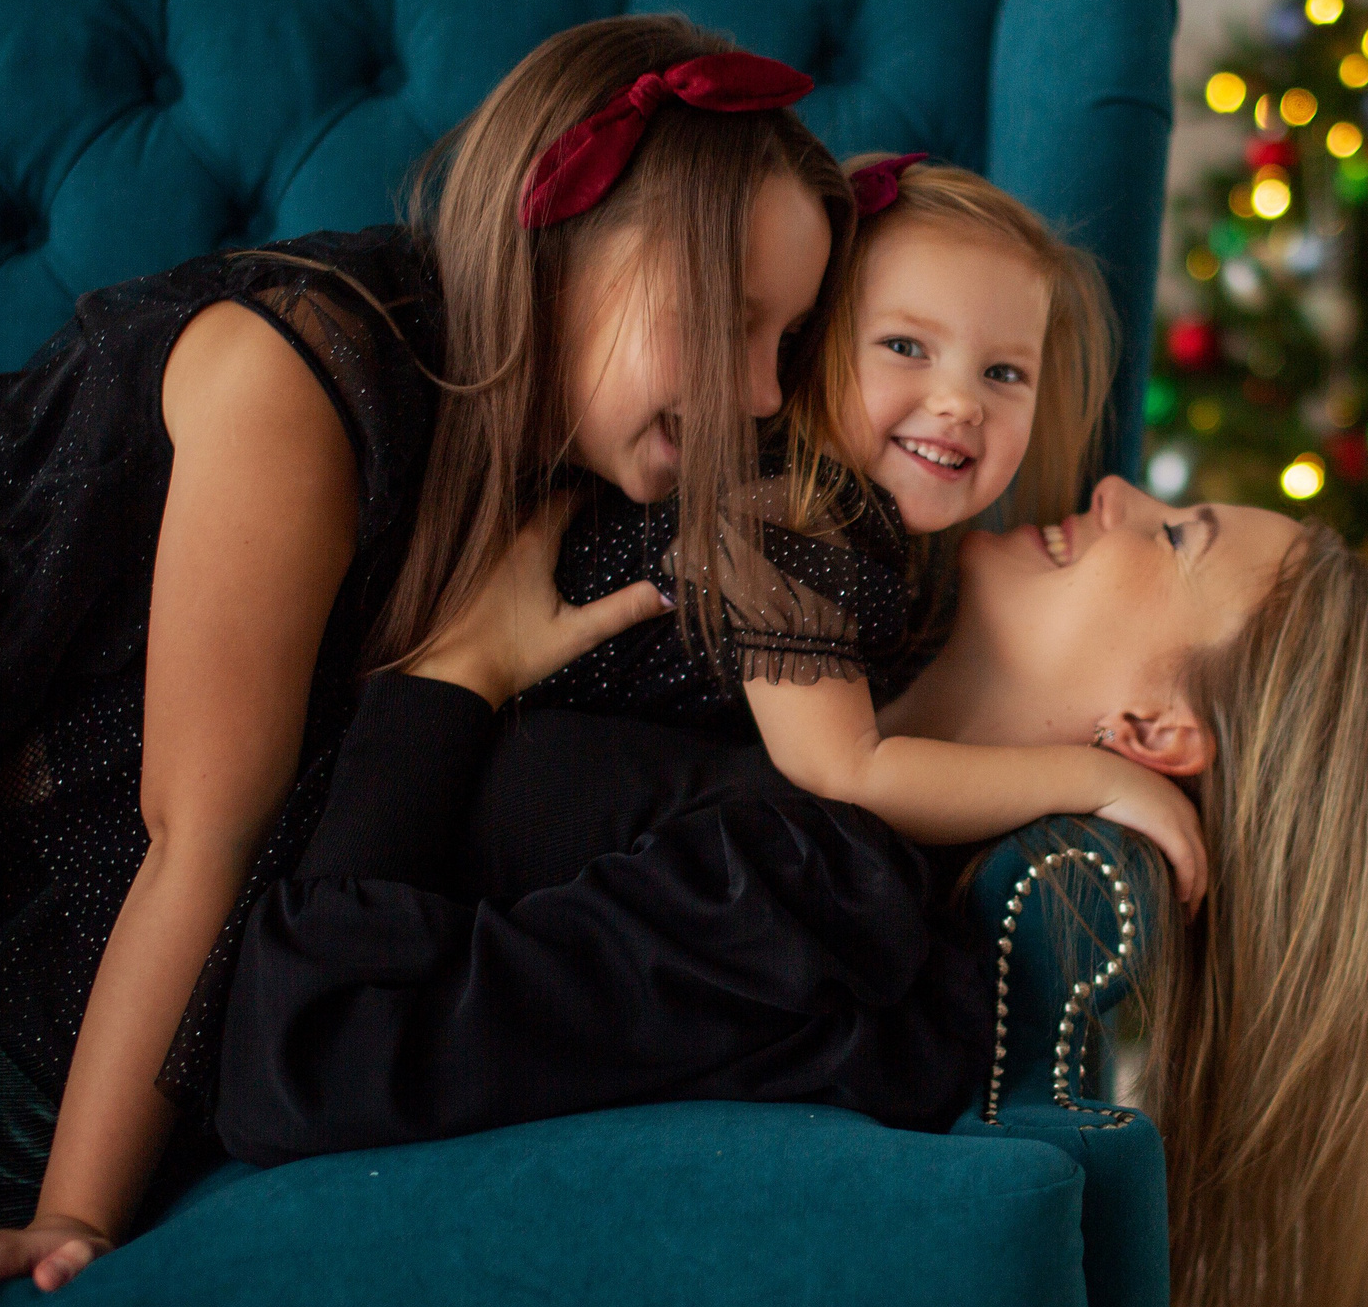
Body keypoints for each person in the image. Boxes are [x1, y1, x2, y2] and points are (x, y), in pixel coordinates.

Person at [0, 13, 852, 1307]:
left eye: (788, 339)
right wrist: (71, 1223)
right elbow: (197, 836)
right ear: (561, 240)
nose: (759, 391)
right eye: (730, 319)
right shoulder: (305, 374)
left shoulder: (557, 474)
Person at [220, 473, 1368, 1307]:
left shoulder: (815, 898)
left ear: (1152, 728)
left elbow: (316, 1053)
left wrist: (451, 674)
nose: (1119, 491)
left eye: (1177, 536)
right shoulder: (805, 697)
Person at [514, 147, 1207, 902]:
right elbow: (846, 770)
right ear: (814, 350)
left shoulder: (876, 543)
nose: (960, 403)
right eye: (905, 348)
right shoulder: (784, 516)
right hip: (520, 796)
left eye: (1003, 373)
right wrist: (1095, 779)